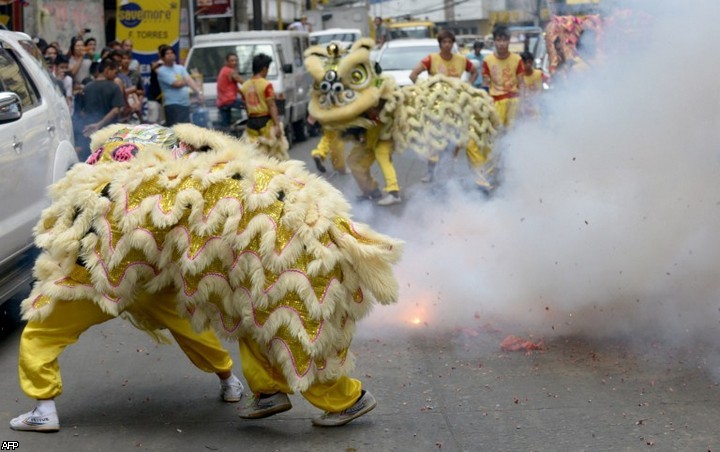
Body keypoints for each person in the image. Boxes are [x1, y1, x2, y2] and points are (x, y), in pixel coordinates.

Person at [409, 30, 482, 185]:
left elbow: (474, 72)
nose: (447, 45)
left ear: (453, 43)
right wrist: (424, 90)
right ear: (440, 44)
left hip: (456, 105)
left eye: (449, 42)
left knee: (453, 139)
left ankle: (448, 171)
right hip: (436, 106)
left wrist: (467, 86)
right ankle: (430, 172)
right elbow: (413, 75)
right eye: (444, 42)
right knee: (434, 139)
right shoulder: (431, 59)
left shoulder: (461, 60)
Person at [72, 58, 125, 159]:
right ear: (107, 70)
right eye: (115, 72)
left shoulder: (87, 87)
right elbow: (116, 110)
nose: (115, 75)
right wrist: (99, 124)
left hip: (90, 134)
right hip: (110, 133)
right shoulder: (114, 87)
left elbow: (81, 112)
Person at [239, 53, 288, 161]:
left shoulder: (245, 86)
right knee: (275, 155)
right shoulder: (266, 85)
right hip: (266, 122)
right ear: (264, 68)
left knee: (254, 154)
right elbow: (271, 105)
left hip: (251, 123)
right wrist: (277, 125)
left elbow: (246, 106)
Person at [481, 24, 524, 128]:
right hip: (496, 102)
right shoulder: (487, 60)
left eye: (504, 40)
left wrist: (524, 103)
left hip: (514, 102)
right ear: (494, 41)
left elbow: (522, 84)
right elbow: (486, 84)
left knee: (513, 133)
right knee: (497, 134)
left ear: (509, 41)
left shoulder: (517, 59)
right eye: (498, 40)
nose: (501, 44)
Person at [156, 44, 204, 127]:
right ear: (162, 58)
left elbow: (190, 81)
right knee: (176, 130)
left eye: (172, 53)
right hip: (173, 104)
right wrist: (186, 81)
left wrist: (199, 93)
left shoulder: (180, 68)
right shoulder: (161, 71)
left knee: (185, 130)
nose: (170, 55)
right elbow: (176, 84)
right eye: (167, 53)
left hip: (185, 103)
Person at [216, 52, 245, 129]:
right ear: (226, 62)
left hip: (222, 102)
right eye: (232, 60)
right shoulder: (230, 71)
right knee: (249, 105)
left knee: (226, 127)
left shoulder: (223, 70)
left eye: (236, 60)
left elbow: (237, 88)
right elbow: (243, 83)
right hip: (229, 100)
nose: (234, 62)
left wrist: (244, 93)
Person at [519, 51, 544, 118]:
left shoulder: (538, 74)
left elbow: (540, 90)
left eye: (530, 62)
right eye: (525, 62)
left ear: (532, 62)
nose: (528, 64)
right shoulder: (519, 76)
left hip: (535, 105)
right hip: (522, 106)